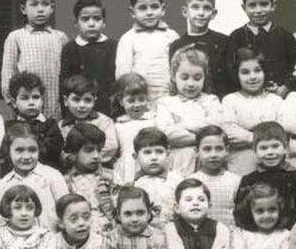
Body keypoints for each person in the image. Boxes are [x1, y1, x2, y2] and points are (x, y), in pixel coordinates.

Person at [1, 0, 69, 119]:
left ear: (52, 8)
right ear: (23, 9)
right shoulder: (16, 37)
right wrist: (13, 103)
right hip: (26, 106)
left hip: (55, 107)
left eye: (45, 4)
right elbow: (8, 75)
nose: (40, 9)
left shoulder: (60, 37)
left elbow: (68, 75)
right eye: (34, 4)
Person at [226, 0, 296, 98]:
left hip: (280, 97)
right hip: (247, 98)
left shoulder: (285, 36)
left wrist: (285, 87)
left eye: (264, 4)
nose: (258, 10)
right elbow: (230, 71)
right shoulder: (237, 37)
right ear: (244, 8)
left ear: (273, 5)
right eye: (252, 5)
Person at [156, 46, 223, 175]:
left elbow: (216, 125)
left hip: (207, 161)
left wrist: (181, 126)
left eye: (197, 78)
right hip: (178, 162)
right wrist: (201, 137)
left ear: (205, 77)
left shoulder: (211, 100)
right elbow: (166, 132)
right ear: (174, 76)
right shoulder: (166, 103)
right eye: (184, 77)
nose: (191, 84)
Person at [221, 48, 284, 175]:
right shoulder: (230, 100)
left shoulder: (275, 100)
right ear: (236, 75)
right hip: (241, 161)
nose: (252, 77)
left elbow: (283, 128)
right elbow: (229, 130)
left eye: (257, 71)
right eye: (245, 72)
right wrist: (259, 138)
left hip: (273, 159)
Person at [115, 0, 179, 107]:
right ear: (132, 12)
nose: (149, 12)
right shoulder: (128, 39)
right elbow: (123, 76)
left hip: (170, 99)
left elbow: (180, 68)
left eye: (154, 7)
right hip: (140, 101)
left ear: (163, 9)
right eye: (142, 8)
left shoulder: (172, 36)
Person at [0, 122, 68, 231]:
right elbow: (1, 222)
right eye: (19, 150)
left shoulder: (52, 175)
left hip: (52, 237)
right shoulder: (3, 184)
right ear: (8, 151)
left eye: (32, 150)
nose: (26, 156)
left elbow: (66, 210)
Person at [237, 121, 296, 229]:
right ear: (255, 150)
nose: (270, 152)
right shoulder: (249, 180)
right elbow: (242, 213)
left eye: (275, 146)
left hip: (292, 232)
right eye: (263, 148)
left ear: (285, 147)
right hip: (259, 233)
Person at [168, 0, 230, 97]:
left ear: (213, 13)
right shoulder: (176, 46)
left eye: (207, 8)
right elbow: (175, 80)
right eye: (195, 7)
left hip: (218, 101)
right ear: (185, 12)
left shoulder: (223, 41)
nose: (201, 13)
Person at [61, 0, 118, 116]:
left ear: (104, 22)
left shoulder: (114, 46)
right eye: (85, 19)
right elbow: (64, 84)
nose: (91, 24)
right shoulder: (70, 49)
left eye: (97, 19)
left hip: (108, 109)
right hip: (79, 109)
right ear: (76, 23)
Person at [3, 71, 64, 172]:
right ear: (14, 102)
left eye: (35, 97)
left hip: (47, 175)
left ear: (42, 100)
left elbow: (53, 151)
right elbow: (6, 156)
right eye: (25, 98)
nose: (31, 102)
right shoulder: (9, 127)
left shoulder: (50, 125)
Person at [63, 123, 116, 234]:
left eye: (99, 150)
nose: (96, 156)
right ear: (74, 152)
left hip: (108, 231)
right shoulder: (65, 181)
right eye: (89, 150)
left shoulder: (110, 177)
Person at [60, 74, 119, 167]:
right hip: (71, 169)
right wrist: (67, 157)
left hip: (100, 168)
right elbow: (60, 150)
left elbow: (111, 147)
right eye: (76, 100)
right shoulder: (61, 126)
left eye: (87, 100)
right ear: (65, 100)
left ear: (94, 100)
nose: (82, 105)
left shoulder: (104, 122)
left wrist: (84, 159)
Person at [188, 125, 240, 228]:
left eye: (219, 149)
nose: (213, 155)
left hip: (230, 234)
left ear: (227, 150)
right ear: (197, 152)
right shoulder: (191, 182)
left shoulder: (236, 181)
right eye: (207, 149)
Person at [132, 127, 182, 226]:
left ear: (167, 154)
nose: (154, 157)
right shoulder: (134, 185)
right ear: (136, 157)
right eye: (147, 152)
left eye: (159, 152)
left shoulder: (177, 181)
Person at [111, 73, 156, 185]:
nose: (137, 105)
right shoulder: (118, 125)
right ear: (121, 101)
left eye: (141, 99)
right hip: (127, 167)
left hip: (150, 162)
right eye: (131, 101)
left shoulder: (153, 121)